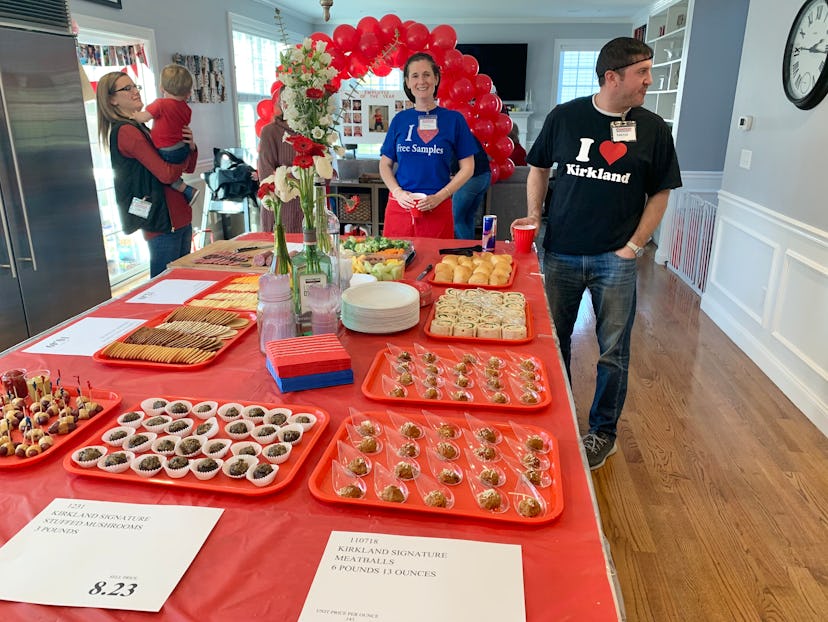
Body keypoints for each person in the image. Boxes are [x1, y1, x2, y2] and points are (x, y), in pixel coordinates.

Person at [510, 37, 682, 470]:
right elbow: (539, 166)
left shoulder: (654, 128)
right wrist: (534, 216)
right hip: (562, 252)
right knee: (553, 343)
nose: (649, 80)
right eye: (642, 72)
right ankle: (557, 417)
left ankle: (603, 433)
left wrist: (634, 246)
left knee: (613, 352)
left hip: (616, 259)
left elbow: (661, 191)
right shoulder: (565, 117)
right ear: (612, 77)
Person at [97, 71, 198, 277]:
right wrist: (184, 152)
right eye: (127, 88)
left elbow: (188, 168)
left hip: (177, 218)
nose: (135, 91)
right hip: (163, 222)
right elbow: (167, 175)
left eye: (135, 86)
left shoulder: (143, 127)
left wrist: (191, 146)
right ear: (112, 100)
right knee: (167, 288)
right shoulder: (127, 132)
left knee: (180, 285)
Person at [379, 52, 478, 238]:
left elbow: (468, 167)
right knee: (396, 262)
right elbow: (385, 164)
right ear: (407, 82)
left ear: (436, 78)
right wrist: (397, 192)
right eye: (414, 76)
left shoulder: (453, 120)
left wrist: (441, 196)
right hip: (401, 205)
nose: (421, 81)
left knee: (436, 264)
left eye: (426, 74)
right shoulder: (400, 120)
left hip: (437, 205)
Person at [130, 64, 199, 205]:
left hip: (169, 151)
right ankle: (187, 191)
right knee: (168, 173)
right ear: (188, 93)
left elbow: (144, 117)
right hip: (182, 148)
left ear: (162, 88)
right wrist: (190, 147)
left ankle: (187, 190)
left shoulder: (160, 104)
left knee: (164, 175)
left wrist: (135, 115)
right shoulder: (187, 109)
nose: (136, 91)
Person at [257, 91, 302, 233]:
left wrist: (285, 173)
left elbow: (321, 173)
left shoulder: (312, 130)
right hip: (279, 208)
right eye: (286, 100)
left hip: (306, 207)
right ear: (281, 103)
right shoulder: (269, 132)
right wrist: (299, 177)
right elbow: (266, 176)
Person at [451, 137, 491, 239]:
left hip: (471, 178)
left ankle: (467, 249)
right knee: (468, 217)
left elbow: (454, 162)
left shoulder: (453, 136)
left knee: (456, 219)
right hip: (485, 176)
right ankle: (472, 250)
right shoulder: (468, 135)